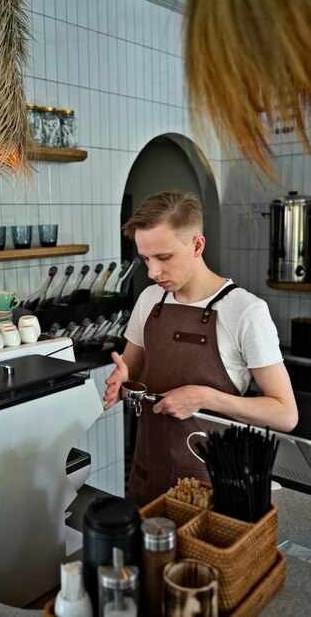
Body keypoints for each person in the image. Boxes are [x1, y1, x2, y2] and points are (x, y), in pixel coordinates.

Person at [103, 191, 298, 506]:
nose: (152, 273)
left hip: (209, 486)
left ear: (197, 245)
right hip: (147, 475)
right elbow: (131, 374)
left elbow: (286, 413)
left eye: (164, 258)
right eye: (145, 259)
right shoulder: (149, 300)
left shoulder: (246, 311)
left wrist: (205, 397)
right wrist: (122, 382)